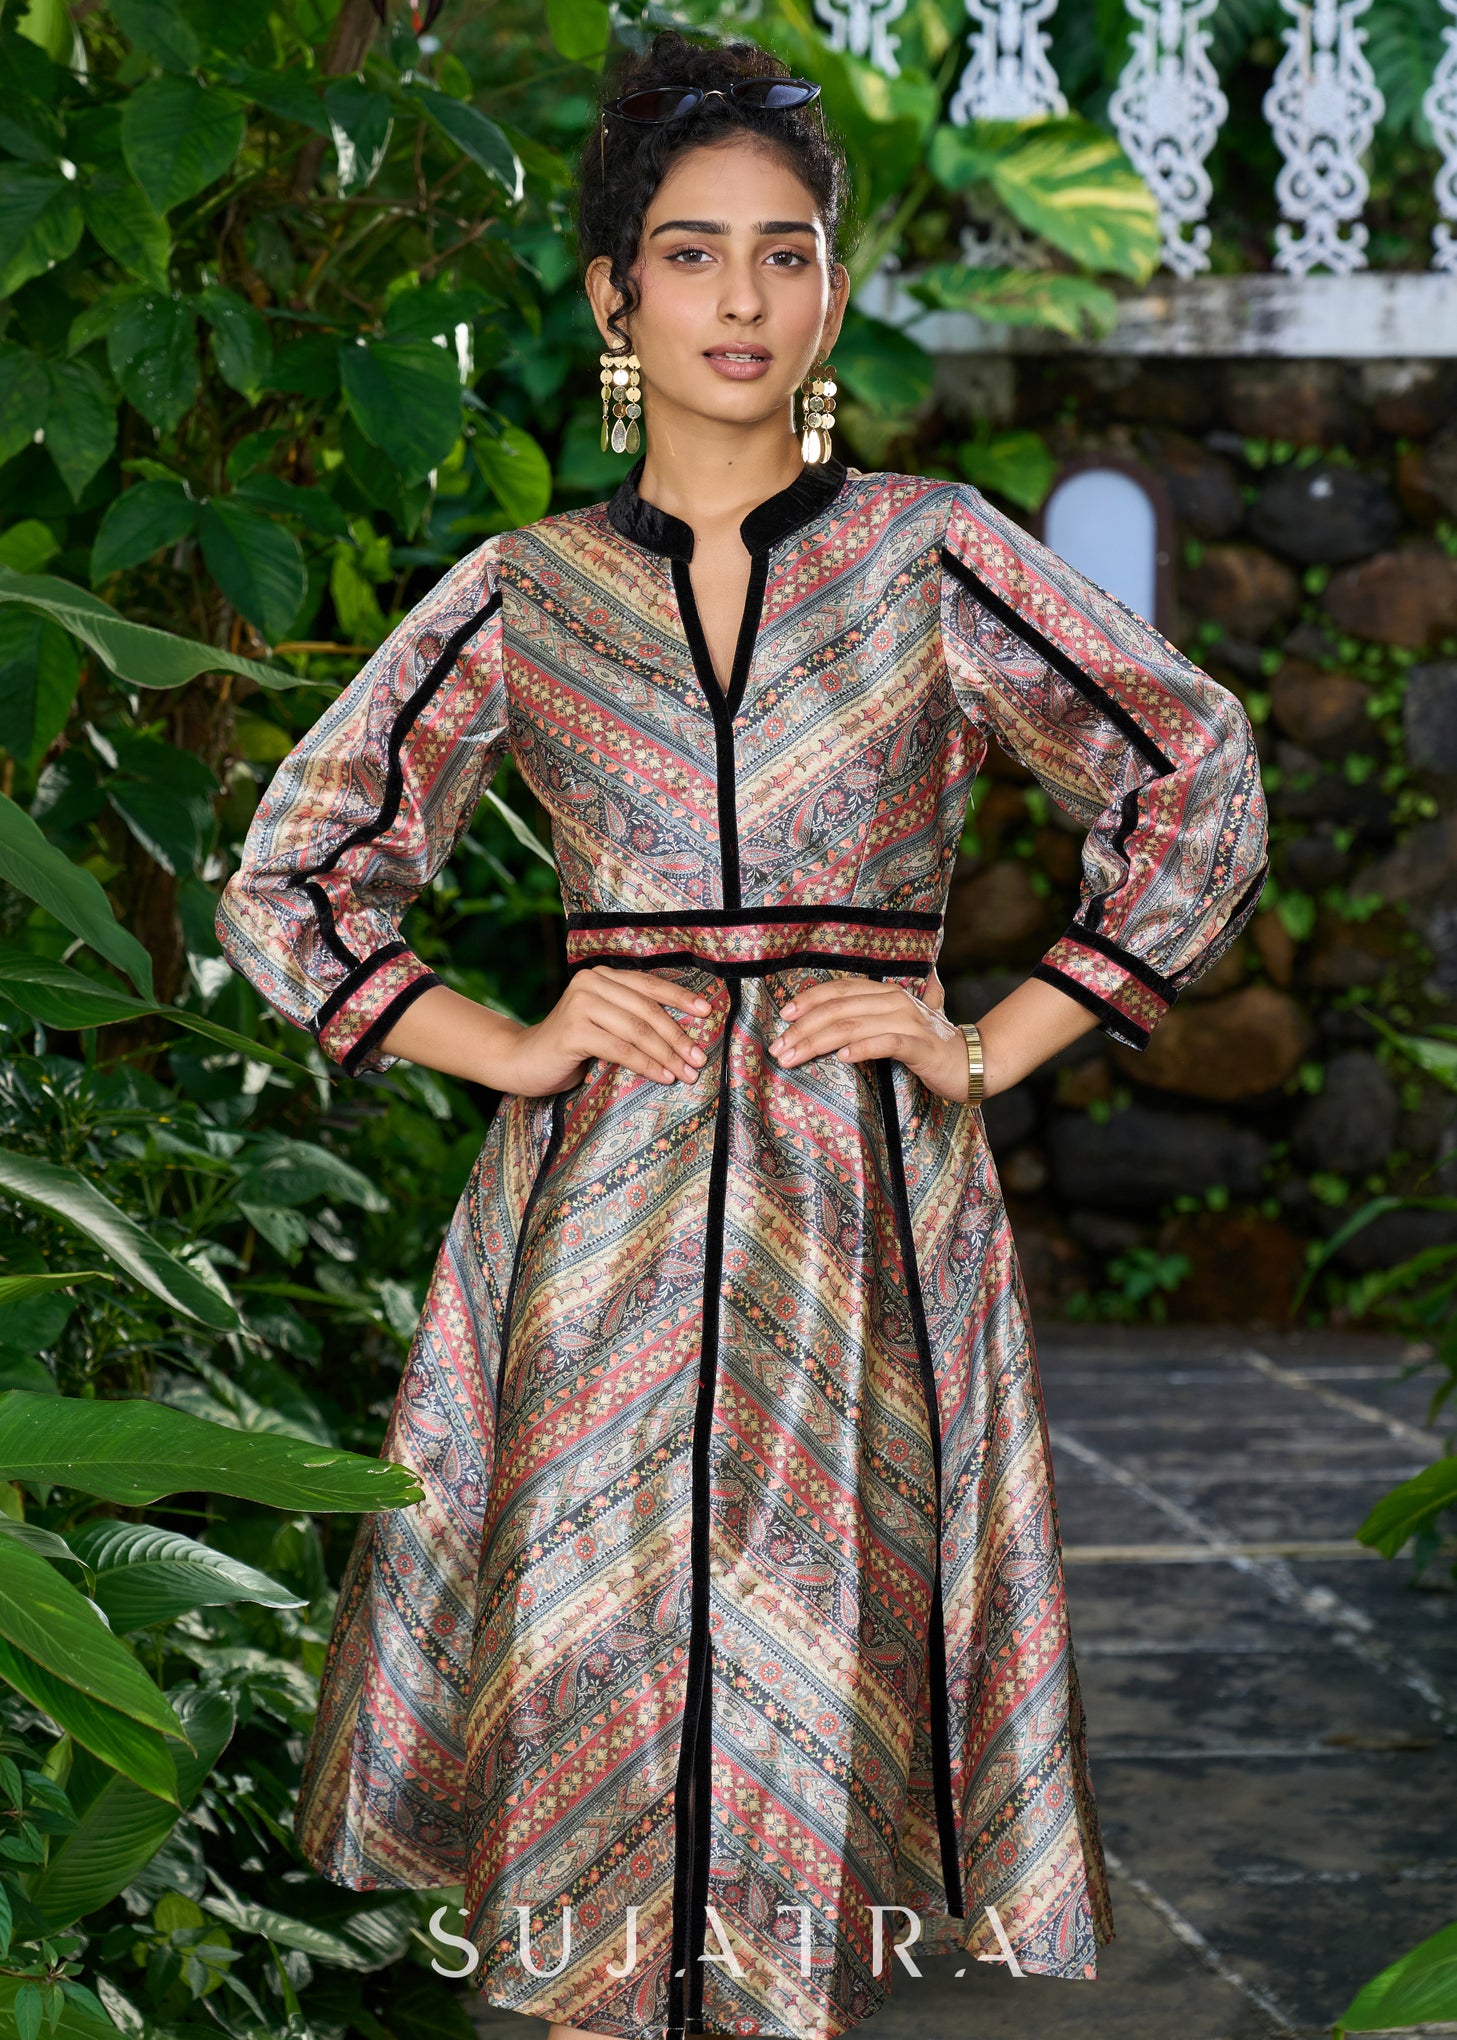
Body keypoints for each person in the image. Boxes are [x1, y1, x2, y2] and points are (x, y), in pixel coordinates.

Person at [216, 27, 1268, 2040]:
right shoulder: (527, 591)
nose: (742, 299)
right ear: (614, 296)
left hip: (857, 1214)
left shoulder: (934, 554)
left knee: (812, 1668)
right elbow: (295, 872)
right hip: (595, 1223)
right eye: (691, 255)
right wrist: (501, 1044)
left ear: (835, 295)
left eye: (786, 255)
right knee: (597, 1664)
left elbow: (1190, 771)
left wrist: (992, 1039)